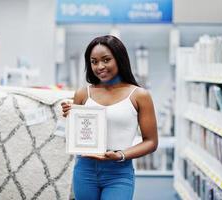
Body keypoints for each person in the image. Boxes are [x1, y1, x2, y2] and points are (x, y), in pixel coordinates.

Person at [61, 35, 158, 200]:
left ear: (119, 59)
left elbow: (151, 142)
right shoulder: (83, 93)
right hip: (85, 169)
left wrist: (121, 154)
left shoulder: (139, 95)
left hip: (118, 172)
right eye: (94, 61)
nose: (100, 66)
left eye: (106, 60)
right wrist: (70, 115)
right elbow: (74, 136)